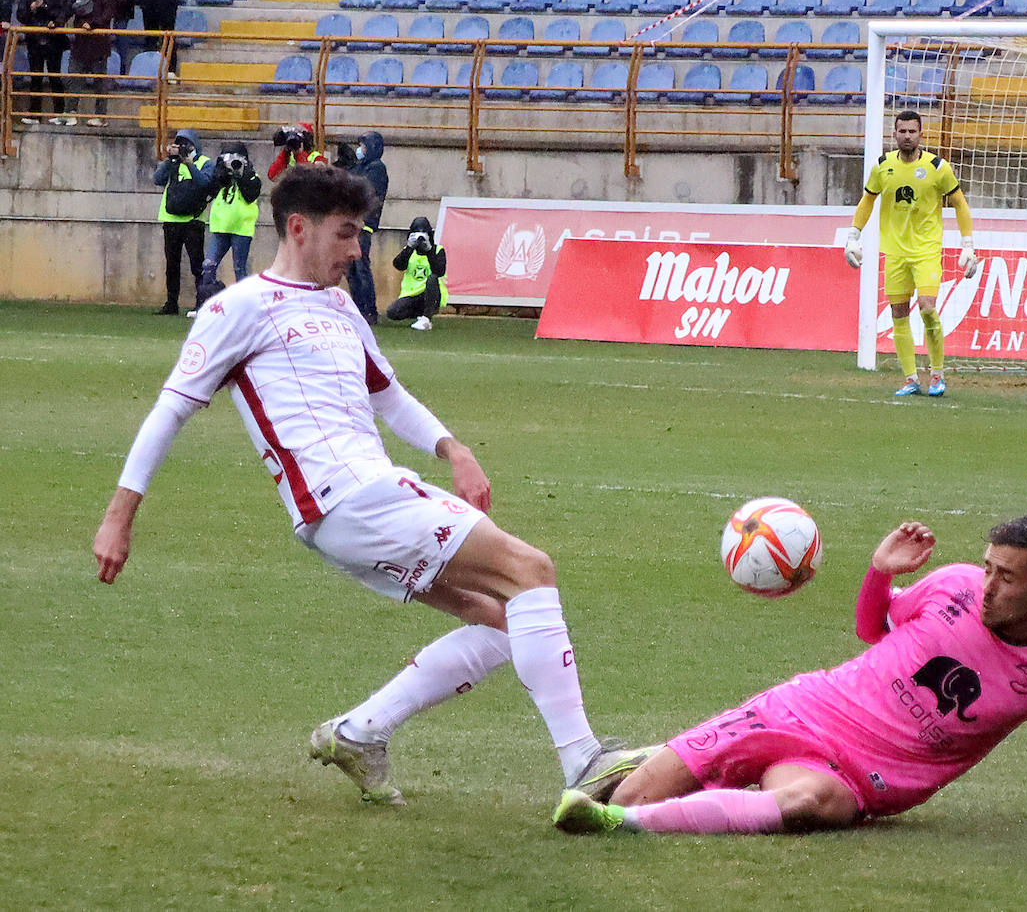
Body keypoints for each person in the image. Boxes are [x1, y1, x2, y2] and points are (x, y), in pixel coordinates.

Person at [93, 165, 648, 807]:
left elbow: (387, 394)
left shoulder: (338, 305)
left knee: (502, 623)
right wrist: (118, 515)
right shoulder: (236, 309)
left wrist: (454, 448)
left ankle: (359, 733)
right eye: (347, 235)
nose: (358, 251)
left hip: (357, 504)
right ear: (298, 229)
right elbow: (171, 409)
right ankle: (584, 762)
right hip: (349, 498)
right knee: (531, 569)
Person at [553, 516, 1027, 837]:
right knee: (637, 787)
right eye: (988, 567)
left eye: (1006, 577)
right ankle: (644, 774)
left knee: (805, 803)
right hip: (803, 709)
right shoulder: (953, 584)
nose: (987, 585)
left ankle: (619, 825)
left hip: (857, 775)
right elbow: (872, 630)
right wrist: (879, 571)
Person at [844, 110, 977, 399]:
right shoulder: (883, 166)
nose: (907, 136)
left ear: (920, 134)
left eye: (912, 131)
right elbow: (867, 200)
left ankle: (938, 375)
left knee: (927, 308)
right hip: (894, 252)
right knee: (898, 315)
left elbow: (960, 203)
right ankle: (910, 378)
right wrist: (853, 235)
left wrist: (968, 245)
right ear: (894, 134)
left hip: (926, 251)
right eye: (901, 131)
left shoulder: (937, 167)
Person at [192, 140, 262, 314]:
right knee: (208, 265)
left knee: (239, 268)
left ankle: (245, 309)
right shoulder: (221, 174)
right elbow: (210, 188)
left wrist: (241, 173)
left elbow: (250, 195)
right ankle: (207, 305)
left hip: (241, 228)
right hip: (220, 227)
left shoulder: (252, 175)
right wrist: (222, 172)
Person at [151, 127, 212, 316]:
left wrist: (190, 163)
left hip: (193, 220)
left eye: (186, 145)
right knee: (172, 263)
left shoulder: (204, 163)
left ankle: (200, 302)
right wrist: (170, 160)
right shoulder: (173, 163)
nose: (183, 149)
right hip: (171, 219)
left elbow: (204, 184)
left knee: (197, 263)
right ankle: (171, 302)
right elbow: (158, 179)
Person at [346, 131, 387, 325]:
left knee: (361, 267)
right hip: (352, 222)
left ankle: (370, 310)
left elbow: (367, 192)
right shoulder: (360, 167)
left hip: (364, 224)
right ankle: (358, 307)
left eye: (363, 146)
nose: (360, 149)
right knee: (350, 268)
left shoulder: (376, 168)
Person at [16, 0, 73, 126]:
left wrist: (46, 7)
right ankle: (35, 113)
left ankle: (59, 113)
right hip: (34, 41)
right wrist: (32, 9)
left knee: (55, 77)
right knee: (35, 78)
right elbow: (20, 15)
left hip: (54, 40)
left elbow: (65, 11)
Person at [67, 0, 123, 127]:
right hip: (80, 44)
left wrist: (92, 24)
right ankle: (70, 112)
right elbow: (72, 9)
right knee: (73, 78)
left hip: (99, 44)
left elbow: (108, 14)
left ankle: (100, 116)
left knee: (100, 82)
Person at [387, 216, 447, 332]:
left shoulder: (438, 250)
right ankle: (419, 315)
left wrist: (429, 250)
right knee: (392, 312)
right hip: (412, 295)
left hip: (431, 293)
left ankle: (426, 318)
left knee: (432, 278)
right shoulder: (410, 251)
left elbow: (439, 271)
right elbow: (398, 265)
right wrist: (409, 248)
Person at [138, 0, 179, 78]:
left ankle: (170, 70)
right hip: (148, 3)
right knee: (150, 37)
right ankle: (149, 70)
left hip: (167, 3)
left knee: (168, 36)